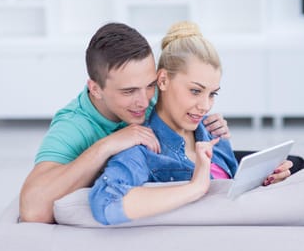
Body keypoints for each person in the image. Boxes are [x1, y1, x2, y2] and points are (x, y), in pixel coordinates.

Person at [19, 23, 231, 223]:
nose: (145, 101)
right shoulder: (74, 126)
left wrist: (206, 122)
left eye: (150, 85)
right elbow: (32, 209)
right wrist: (107, 146)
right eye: (129, 91)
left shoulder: (151, 95)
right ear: (95, 89)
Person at [89, 21, 293, 225]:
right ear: (163, 80)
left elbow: (231, 194)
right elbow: (106, 202)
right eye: (195, 91)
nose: (205, 106)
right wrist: (195, 187)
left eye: (212, 94)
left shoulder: (213, 131)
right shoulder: (144, 149)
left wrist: (264, 182)